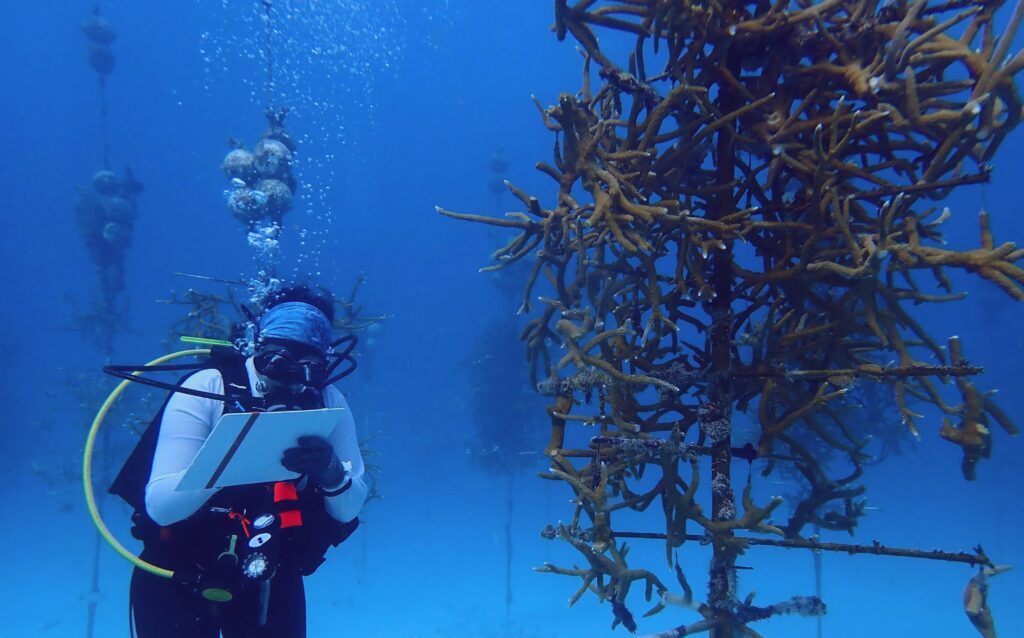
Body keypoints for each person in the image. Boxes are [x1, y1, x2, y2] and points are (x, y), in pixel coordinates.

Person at [124, 286, 368, 637]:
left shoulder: (327, 399)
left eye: (307, 363)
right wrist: (236, 456)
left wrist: (331, 472)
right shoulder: (207, 386)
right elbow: (161, 507)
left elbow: (348, 509)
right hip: (177, 567)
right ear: (258, 344)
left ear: (322, 361)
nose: (289, 373)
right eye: (280, 357)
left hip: (268, 569)